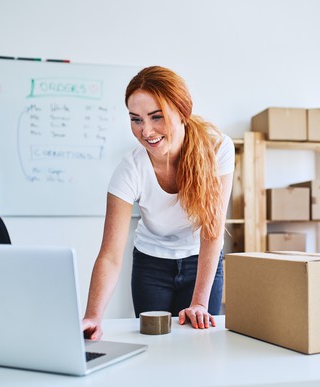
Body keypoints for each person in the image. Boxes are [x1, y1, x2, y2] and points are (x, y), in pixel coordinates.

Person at [82, 66, 234, 338]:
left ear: (182, 112)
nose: (146, 131)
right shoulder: (130, 169)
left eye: (156, 117)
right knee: (155, 345)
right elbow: (110, 255)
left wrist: (199, 301)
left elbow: (212, 231)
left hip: (201, 261)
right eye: (136, 119)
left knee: (200, 346)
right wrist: (93, 316)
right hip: (151, 264)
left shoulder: (217, 148)